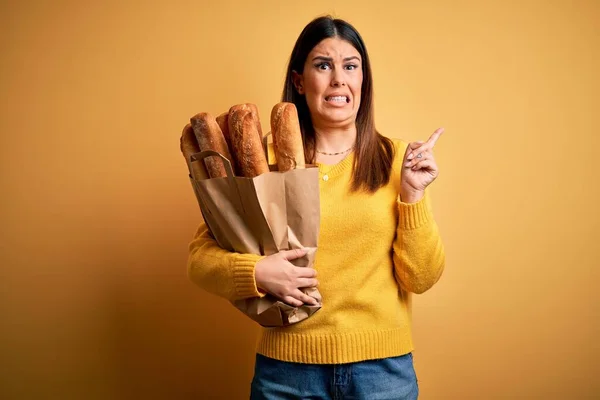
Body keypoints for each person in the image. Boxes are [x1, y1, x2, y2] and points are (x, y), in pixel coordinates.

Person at [187, 15, 446, 400]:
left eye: (350, 66)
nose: (338, 79)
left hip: (382, 374)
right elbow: (199, 260)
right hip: (286, 374)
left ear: (363, 80)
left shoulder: (398, 161)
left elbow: (421, 278)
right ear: (299, 81)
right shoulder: (262, 162)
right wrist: (256, 271)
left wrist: (412, 195)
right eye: (323, 65)